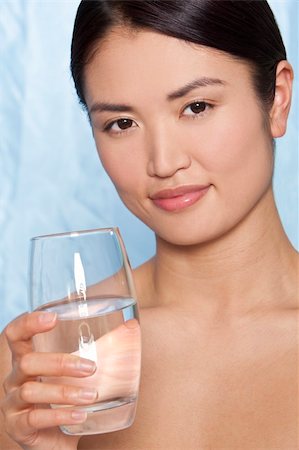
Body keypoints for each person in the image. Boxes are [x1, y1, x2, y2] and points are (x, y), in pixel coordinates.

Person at [0, 0, 297, 448]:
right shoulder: (40, 368)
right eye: (121, 123)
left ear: (276, 98)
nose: (163, 162)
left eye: (196, 107)